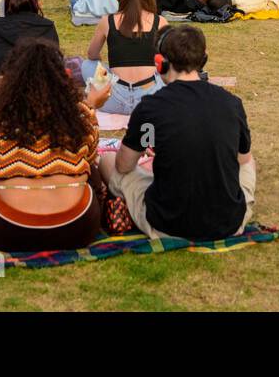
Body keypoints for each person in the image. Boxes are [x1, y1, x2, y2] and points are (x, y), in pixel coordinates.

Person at [100, 25, 256, 240]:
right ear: (203, 59)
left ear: (160, 63)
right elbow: (242, 159)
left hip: (166, 224)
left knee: (107, 161)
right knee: (248, 160)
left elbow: (123, 166)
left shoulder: (150, 108)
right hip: (228, 223)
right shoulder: (232, 103)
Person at [0, 38, 106, 251]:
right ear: (61, 76)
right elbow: (90, 159)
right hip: (77, 227)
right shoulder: (80, 112)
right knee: (92, 172)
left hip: (5, 230)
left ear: (11, 77)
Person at [83, 0, 165, 114]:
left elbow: (92, 55)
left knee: (87, 65)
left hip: (112, 100)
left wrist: (106, 69)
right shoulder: (160, 22)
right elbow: (167, 61)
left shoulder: (107, 21)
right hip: (150, 99)